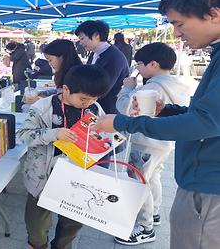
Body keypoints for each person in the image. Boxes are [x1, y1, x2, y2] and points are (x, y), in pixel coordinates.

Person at [93, 0, 220, 249]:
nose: (176, 33)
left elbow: (207, 121)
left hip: (209, 187)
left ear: (213, 14)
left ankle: (145, 226)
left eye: (179, 23)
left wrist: (124, 123)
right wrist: (166, 111)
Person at [17, 64, 110, 249]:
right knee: (36, 223)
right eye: (83, 98)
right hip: (43, 177)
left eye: (94, 98)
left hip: (77, 177)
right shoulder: (43, 107)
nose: (89, 102)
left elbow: (101, 136)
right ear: (66, 89)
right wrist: (54, 133)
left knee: (72, 221)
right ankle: (38, 245)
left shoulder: (95, 108)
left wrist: (106, 138)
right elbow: (23, 135)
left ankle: (62, 246)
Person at [114, 43, 191, 246]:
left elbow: (126, 108)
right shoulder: (176, 83)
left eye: (140, 64)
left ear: (153, 64)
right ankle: (154, 213)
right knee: (152, 177)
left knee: (139, 182)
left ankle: (145, 228)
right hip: (163, 143)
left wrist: (127, 89)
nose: (138, 69)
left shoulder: (152, 87)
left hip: (146, 143)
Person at [75, 20, 129, 114]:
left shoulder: (114, 57)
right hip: (96, 107)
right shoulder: (94, 53)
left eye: (82, 38)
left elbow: (103, 89)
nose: (80, 43)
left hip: (108, 110)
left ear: (96, 35)